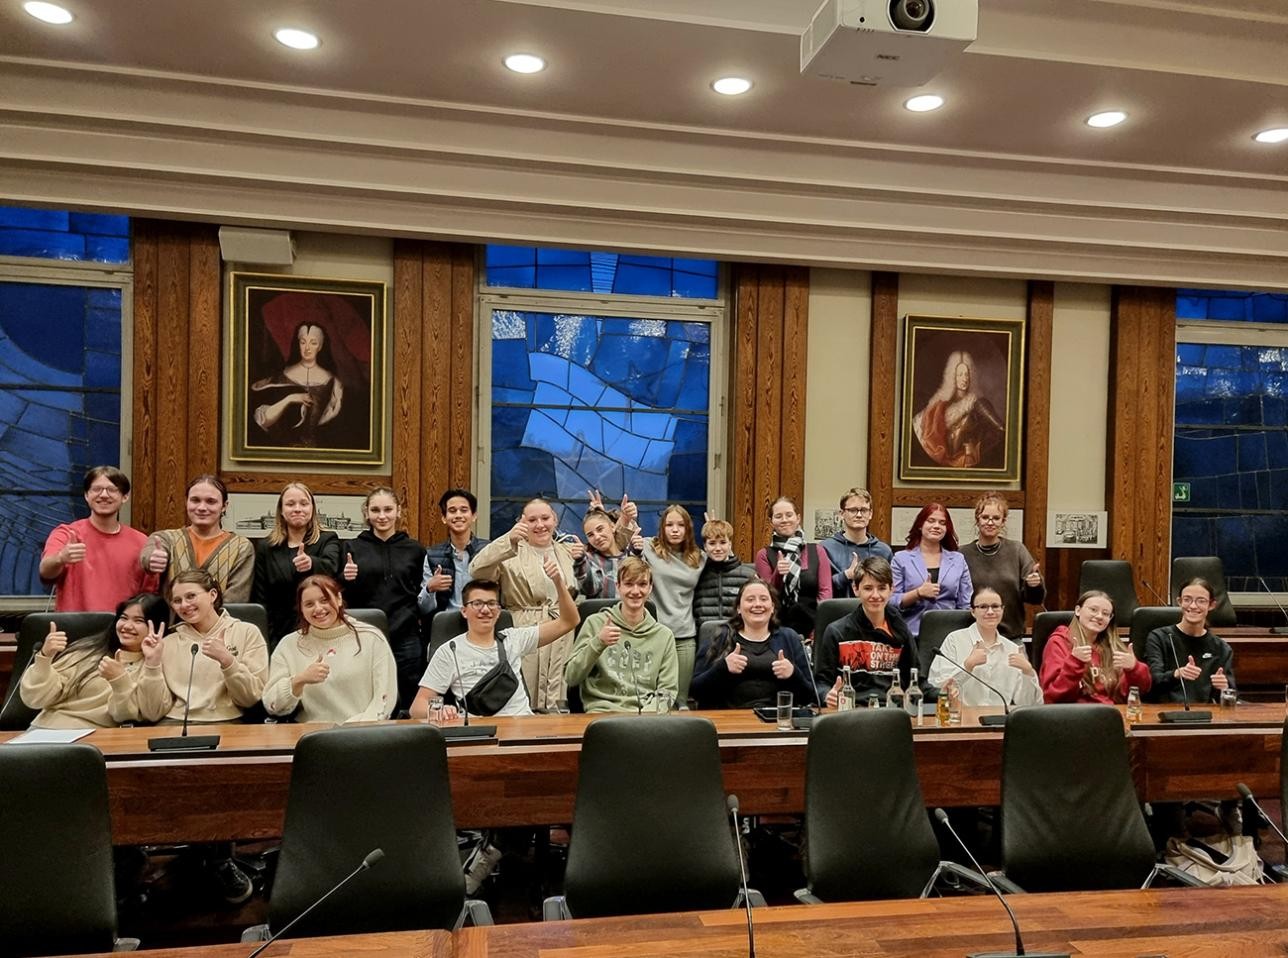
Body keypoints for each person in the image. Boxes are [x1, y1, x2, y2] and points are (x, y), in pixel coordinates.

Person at [409, 560, 579, 719]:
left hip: (523, 726)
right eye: (477, 604)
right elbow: (416, 708)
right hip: (479, 733)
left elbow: (569, 621)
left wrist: (558, 582)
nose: (485, 610)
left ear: (498, 611)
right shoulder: (449, 651)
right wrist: (439, 711)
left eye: (491, 604)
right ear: (464, 611)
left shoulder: (514, 639)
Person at [469, 497, 580, 710]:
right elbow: (476, 570)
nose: (540, 525)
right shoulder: (509, 551)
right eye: (532, 520)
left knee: (559, 697)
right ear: (522, 523)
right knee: (524, 695)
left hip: (562, 632)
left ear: (555, 520)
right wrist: (507, 540)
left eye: (545, 518)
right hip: (525, 625)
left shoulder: (568, 552)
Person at [137, 569, 270, 724]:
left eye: (191, 596)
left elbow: (250, 698)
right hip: (174, 723)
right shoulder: (166, 642)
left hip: (227, 722)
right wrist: (152, 664)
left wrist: (228, 661)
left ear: (212, 595)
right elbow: (152, 712)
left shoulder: (247, 632)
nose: (184, 605)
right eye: (177, 600)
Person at [262, 574, 398, 723]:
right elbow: (272, 705)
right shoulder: (288, 645)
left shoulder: (372, 638)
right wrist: (299, 680)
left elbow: (385, 698)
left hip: (364, 734)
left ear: (339, 599)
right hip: (312, 737)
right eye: (309, 604)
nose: (318, 609)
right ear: (300, 609)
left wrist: (357, 730)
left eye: (324, 600)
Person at [19, 593, 168, 729]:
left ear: (155, 625)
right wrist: (45, 657)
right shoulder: (87, 651)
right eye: (123, 618)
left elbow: (147, 713)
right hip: (47, 729)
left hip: (97, 739)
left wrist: (121, 679)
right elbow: (34, 699)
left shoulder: (154, 664)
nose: (127, 626)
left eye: (138, 621)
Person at [340, 487, 426, 713]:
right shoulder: (351, 548)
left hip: (406, 635)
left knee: (408, 695)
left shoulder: (415, 550)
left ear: (399, 512)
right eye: (375, 510)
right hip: (364, 634)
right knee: (366, 695)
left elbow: (421, 592)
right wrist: (344, 577)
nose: (382, 516)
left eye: (388, 509)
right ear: (366, 514)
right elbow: (338, 593)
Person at [565, 557, 678, 712]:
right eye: (629, 584)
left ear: (650, 587)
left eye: (642, 584)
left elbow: (668, 691)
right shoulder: (595, 623)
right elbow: (571, 677)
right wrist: (598, 643)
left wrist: (648, 717)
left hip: (647, 719)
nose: (636, 591)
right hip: (602, 714)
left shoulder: (664, 636)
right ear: (618, 586)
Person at [40, 466, 157, 612]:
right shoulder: (66, 534)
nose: (104, 495)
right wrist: (60, 558)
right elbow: (45, 572)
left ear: (125, 497)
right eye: (96, 489)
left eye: (112, 490)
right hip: (75, 629)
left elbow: (148, 595)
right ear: (86, 495)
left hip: (121, 630)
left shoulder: (141, 542)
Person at [691, 578, 818, 710]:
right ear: (739, 608)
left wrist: (793, 673)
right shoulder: (720, 637)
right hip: (729, 720)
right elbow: (695, 691)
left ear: (773, 607)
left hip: (777, 720)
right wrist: (722, 668)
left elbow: (810, 695)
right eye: (750, 600)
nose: (757, 604)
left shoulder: (790, 637)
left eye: (763, 599)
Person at [815, 556, 920, 704]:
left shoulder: (901, 630)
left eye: (882, 588)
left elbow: (916, 681)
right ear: (856, 589)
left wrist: (942, 691)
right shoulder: (836, 631)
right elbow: (821, 683)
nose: (875, 595)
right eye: (868, 588)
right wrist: (827, 694)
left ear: (892, 590)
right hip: (851, 712)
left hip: (890, 713)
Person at [252, 482, 343, 646]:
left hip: (321, 629)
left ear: (312, 509)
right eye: (290, 504)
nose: (297, 509)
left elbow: (333, 568)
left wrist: (311, 564)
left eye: (304, 503)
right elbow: (260, 597)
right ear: (281, 511)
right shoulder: (267, 547)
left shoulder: (327, 539)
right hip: (279, 634)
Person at [140, 474, 254, 603]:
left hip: (220, 622)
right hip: (172, 622)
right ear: (186, 502)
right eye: (195, 500)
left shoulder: (240, 547)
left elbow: (236, 600)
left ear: (224, 506)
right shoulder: (164, 538)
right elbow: (148, 555)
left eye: (211, 501)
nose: (201, 508)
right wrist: (152, 559)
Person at [927, 587, 1042, 708]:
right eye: (983, 607)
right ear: (972, 611)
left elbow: (1029, 704)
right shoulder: (955, 640)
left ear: (1003, 610)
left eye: (995, 606)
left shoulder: (1012, 649)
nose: (990, 612)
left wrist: (1028, 672)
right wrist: (967, 666)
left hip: (1000, 721)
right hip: (961, 718)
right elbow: (936, 685)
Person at [642, 503, 706, 706]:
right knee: (654, 700)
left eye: (681, 525)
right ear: (662, 527)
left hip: (684, 635)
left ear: (688, 529)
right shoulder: (648, 548)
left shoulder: (699, 557)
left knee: (681, 701)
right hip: (654, 634)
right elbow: (618, 543)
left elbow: (727, 561)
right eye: (670, 524)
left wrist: (716, 529)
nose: (675, 529)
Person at [1040, 590, 1150, 704]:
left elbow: (1136, 692)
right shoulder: (1059, 643)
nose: (1099, 616)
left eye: (1106, 613)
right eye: (1093, 610)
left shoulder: (1113, 646)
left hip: (1112, 714)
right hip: (1074, 716)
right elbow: (1052, 696)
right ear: (1078, 610)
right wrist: (1074, 663)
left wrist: (1134, 669)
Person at [961, 492, 1044, 639]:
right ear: (977, 520)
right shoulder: (962, 554)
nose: (990, 522)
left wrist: (1034, 585)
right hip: (972, 637)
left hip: (1011, 636)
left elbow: (1035, 599)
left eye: (996, 518)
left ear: (1003, 521)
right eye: (985, 517)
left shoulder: (1017, 550)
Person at [250, 321, 343, 446]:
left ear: (320, 346)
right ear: (298, 344)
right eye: (303, 342)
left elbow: (332, 424)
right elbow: (264, 421)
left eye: (313, 343)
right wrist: (290, 399)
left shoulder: (332, 382)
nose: (307, 348)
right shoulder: (281, 375)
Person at [1145, 578, 1235, 704]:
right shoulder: (1159, 637)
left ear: (1212, 605)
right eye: (1187, 600)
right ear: (1179, 602)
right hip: (1164, 713)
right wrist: (1176, 674)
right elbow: (1151, 682)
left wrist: (1223, 688)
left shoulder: (1221, 648)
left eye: (1201, 601)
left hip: (1206, 716)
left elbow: (1230, 695)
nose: (1193, 606)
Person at [755, 496, 832, 639]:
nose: (784, 520)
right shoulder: (764, 555)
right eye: (778, 516)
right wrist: (778, 573)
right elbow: (766, 597)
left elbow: (825, 592)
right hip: (775, 629)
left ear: (798, 518)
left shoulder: (817, 551)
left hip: (813, 628)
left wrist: (818, 627)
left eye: (789, 515)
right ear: (771, 521)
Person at [891, 503, 973, 637]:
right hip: (911, 634)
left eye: (942, 523)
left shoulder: (958, 560)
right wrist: (917, 593)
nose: (936, 526)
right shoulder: (901, 559)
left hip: (950, 634)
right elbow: (890, 601)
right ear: (920, 525)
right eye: (931, 521)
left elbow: (965, 604)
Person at [912, 350, 1004, 469]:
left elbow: (999, 430)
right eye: (960, 374)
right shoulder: (940, 406)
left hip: (964, 459)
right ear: (952, 377)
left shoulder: (977, 403)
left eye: (967, 374)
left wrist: (977, 448)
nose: (964, 378)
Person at [417, 488, 488, 622]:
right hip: (446, 624)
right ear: (444, 518)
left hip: (482, 621)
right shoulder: (432, 555)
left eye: (464, 510)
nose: (458, 515)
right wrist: (430, 588)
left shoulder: (488, 551)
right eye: (452, 511)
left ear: (474, 516)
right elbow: (423, 609)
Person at [818, 486, 894, 600]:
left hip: (873, 611)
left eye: (863, 510)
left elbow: (890, 588)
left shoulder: (883, 551)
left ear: (870, 514)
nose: (859, 515)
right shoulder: (825, 548)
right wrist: (846, 575)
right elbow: (819, 588)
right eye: (853, 510)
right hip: (837, 612)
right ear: (842, 514)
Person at [692, 517, 756, 634]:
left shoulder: (748, 575)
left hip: (739, 637)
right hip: (705, 638)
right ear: (705, 547)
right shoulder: (697, 574)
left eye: (723, 542)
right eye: (712, 543)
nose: (718, 548)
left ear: (730, 544)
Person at [573, 493, 641, 599]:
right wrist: (580, 561)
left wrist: (637, 553)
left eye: (600, 529)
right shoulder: (590, 560)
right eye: (590, 535)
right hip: (601, 613)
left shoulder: (630, 556)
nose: (597, 537)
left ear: (613, 527)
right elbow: (590, 589)